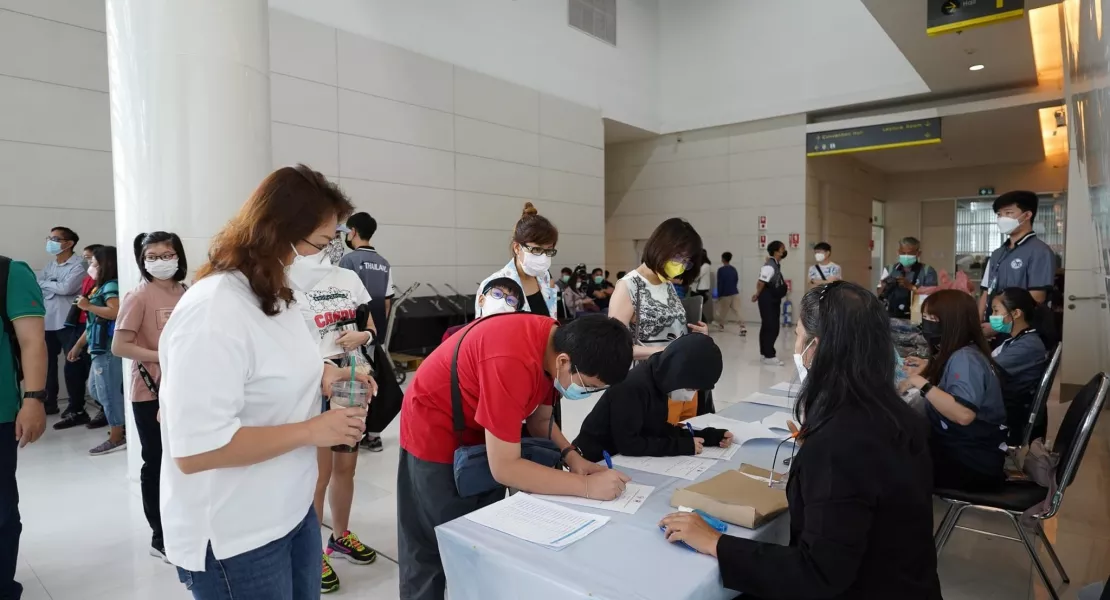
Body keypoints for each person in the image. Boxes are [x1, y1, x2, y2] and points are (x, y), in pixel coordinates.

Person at [159, 165, 375, 599]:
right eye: (317, 244)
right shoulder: (214, 309)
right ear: (275, 233)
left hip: (292, 511)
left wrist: (329, 377)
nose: (322, 257)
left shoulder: (277, 295)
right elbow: (196, 449)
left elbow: (288, 364)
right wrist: (313, 431)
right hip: (237, 535)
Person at [659, 281, 941, 600]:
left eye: (797, 336)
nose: (795, 347)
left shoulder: (841, 441)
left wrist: (715, 542)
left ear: (816, 347)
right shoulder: (897, 415)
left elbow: (818, 574)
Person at [397, 313, 633, 600]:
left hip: (483, 428)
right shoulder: (511, 361)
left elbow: (540, 419)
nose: (588, 392)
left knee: (478, 537)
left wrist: (573, 458)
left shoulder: (554, 343)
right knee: (430, 545)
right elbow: (505, 468)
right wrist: (586, 488)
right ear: (563, 362)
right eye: (590, 385)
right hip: (434, 427)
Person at [295, 238, 380, 594]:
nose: (327, 244)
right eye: (320, 236)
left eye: (332, 236)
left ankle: (340, 536)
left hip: (353, 378)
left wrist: (364, 334)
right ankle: (311, 551)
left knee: (347, 465)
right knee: (318, 472)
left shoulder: (347, 277)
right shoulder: (285, 278)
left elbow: (370, 324)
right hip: (312, 382)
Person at [111, 232, 188, 561]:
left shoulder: (188, 291)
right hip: (150, 391)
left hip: (185, 387)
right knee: (155, 461)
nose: (160, 261)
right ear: (142, 262)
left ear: (178, 256)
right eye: (152, 257)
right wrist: (163, 355)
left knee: (183, 459)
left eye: (166, 254)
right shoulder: (138, 297)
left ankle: (183, 524)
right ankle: (160, 535)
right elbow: (120, 346)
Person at [900, 290, 1007, 492]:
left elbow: (963, 414)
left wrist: (921, 383)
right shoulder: (964, 352)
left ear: (953, 322)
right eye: (925, 318)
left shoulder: (965, 359)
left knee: (885, 460)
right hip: (968, 453)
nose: (927, 325)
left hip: (969, 464)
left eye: (933, 319)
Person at [574, 333, 733, 459]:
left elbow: (656, 429)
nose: (690, 396)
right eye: (690, 388)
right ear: (678, 374)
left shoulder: (660, 379)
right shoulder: (632, 386)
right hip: (594, 459)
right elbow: (629, 444)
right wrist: (682, 446)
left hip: (621, 457)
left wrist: (709, 437)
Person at [0, 255, 48, 600]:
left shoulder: (8, 272)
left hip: (0, 411)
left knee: (1, 511)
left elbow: (32, 341)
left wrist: (33, 398)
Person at [609, 218, 707, 363]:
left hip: (674, 375)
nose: (681, 265)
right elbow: (615, 346)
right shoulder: (628, 286)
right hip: (645, 377)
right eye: (678, 257)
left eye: (686, 261)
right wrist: (667, 350)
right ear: (661, 247)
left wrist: (697, 337)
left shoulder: (667, 284)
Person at [338, 212, 395, 453]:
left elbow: (341, 298)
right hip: (375, 334)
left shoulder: (348, 261)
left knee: (354, 381)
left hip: (352, 334)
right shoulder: (383, 262)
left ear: (353, 232)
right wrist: (378, 330)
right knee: (375, 379)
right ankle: (374, 435)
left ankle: (353, 432)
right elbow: (387, 301)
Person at [67, 246, 125, 456]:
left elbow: (115, 312)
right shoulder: (99, 288)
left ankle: (117, 436)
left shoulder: (111, 286)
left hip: (107, 348)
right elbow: (94, 323)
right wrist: (79, 344)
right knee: (96, 389)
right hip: (96, 346)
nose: (90, 267)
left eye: (93, 263)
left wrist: (88, 307)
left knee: (107, 393)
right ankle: (122, 424)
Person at [977, 190, 1056, 336]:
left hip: (1021, 331)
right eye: (999, 215)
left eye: (1008, 213)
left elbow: (1037, 298)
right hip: (992, 327)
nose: (1002, 218)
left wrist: (998, 327)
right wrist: (976, 325)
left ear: (1027, 215)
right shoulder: (997, 254)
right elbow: (985, 293)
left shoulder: (1039, 251)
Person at [475, 202, 559, 319]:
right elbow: (487, 332)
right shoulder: (493, 287)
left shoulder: (545, 278)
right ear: (517, 248)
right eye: (536, 250)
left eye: (548, 250)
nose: (543, 257)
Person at [989, 287, 1049, 445]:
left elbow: (987, 370)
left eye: (996, 311)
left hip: (1012, 414)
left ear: (1016, 313)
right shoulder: (1017, 340)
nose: (992, 317)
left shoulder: (1028, 345)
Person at [53, 242, 103, 429]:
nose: (88, 263)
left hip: (95, 327)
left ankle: (105, 410)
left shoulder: (107, 281)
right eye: (86, 258)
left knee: (96, 372)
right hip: (79, 324)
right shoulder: (88, 278)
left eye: (91, 259)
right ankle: (77, 409)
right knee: (72, 368)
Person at [37, 226, 86, 416]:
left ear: (69, 243)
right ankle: (50, 402)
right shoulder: (50, 265)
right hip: (48, 321)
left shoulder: (79, 265)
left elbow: (67, 288)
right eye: (49, 237)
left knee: (72, 364)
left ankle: (76, 406)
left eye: (55, 239)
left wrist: (49, 285)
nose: (50, 241)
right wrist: (54, 285)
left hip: (68, 322)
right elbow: (38, 284)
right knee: (47, 365)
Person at [878, 237, 937, 320]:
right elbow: (879, 292)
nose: (906, 256)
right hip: (891, 314)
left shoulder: (927, 271)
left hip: (916, 315)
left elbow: (932, 296)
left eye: (910, 253)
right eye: (903, 253)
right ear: (898, 252)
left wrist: (910, 286)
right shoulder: (889, 269)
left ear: (918, 253)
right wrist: (885, 285)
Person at [752, 241, 788, 366]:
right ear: (776, 251)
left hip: (772, 298)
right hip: (767, 298)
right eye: (782, 249)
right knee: (771, 326)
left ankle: (764, 353)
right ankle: (769, 355)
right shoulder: (769, 266)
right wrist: (757, 294)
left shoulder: (775, 264)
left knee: (768, 325)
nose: (784, 251)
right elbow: (761, 282)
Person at [715, 251, 746, 336]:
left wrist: (719, 295)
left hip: (725, 294)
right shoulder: (733, 269)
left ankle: (721, 326)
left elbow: (720, 283)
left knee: (723, 311)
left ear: (723, 259)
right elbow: (736, 280)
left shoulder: (721, 270)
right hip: (734, 292)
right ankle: (742, 327)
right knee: (737, 311)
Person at [690, 249, 713, 324]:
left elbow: (697, 277)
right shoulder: (704, 265)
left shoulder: (705, 266)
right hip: (699, 289)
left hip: (701, 290)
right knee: (697, 308)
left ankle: (704, 323)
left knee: (697, 308)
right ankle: (702, 323)